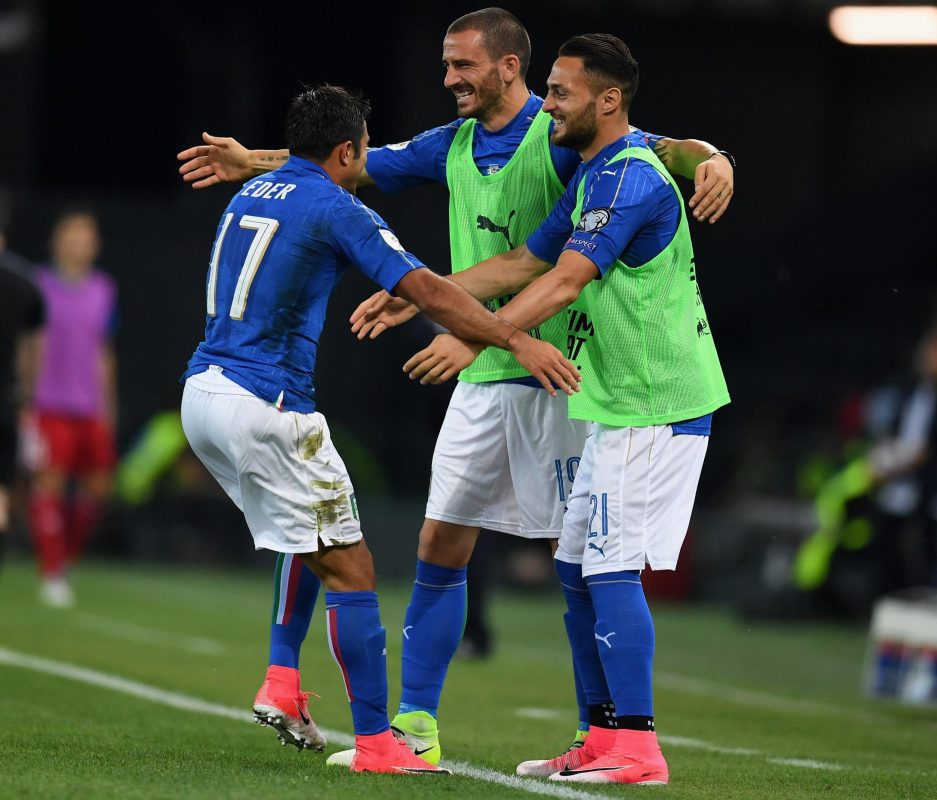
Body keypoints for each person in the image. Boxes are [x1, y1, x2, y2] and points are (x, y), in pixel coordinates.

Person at [177, 8, 735, 767]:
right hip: (487, 370)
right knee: (443, 541)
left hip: (562, 373)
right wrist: (261, 161)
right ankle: (418, 725)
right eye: (444, 65)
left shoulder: (568, 135)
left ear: (510, 68)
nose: (448, 80)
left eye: (462, 66)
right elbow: (349, 164)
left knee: (586, 562)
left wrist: (715, 156)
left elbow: (649, 155)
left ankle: (604, 731)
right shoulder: (455, 144)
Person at [178, 83, 579, 775]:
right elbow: (429, 291)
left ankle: (282, 677)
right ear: (346, 149)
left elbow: (311, 187)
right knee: (351, 563)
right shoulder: (340, 207)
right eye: (361, 147)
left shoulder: (256, 190)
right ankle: (376, 744)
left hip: (202, 394)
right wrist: (513, 340)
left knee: (306, 534)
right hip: (265, 404)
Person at [380, 32, 730, 784]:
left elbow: (566, 281)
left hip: (655, 403)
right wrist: (425, 295)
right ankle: (601, 738)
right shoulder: (593, 173)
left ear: (607, 101)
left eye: (562, 92)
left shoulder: (629, 178)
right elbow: (522, 262)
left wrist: (481, 340)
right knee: (576, 563)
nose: (549, 104)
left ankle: (638, 746)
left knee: (606, 568)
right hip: (616, 403)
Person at [28, 210, 117, 607]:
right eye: (73, 235)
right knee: (49, 483)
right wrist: (25, 397)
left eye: (87, 236)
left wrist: (108, 403)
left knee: (97, 488)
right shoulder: (38, 285)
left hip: (90, 407)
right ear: (58, 240)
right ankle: (51, 572)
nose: (80, 243)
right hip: (49, 402)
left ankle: (66, 557)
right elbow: (28, 346)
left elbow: (104, 350)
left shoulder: (104, 289)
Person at [0, 195, 45, 572]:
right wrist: (27, 395)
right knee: (2, 490)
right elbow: (32, 351)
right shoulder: (24, 284)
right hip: (6, 400)